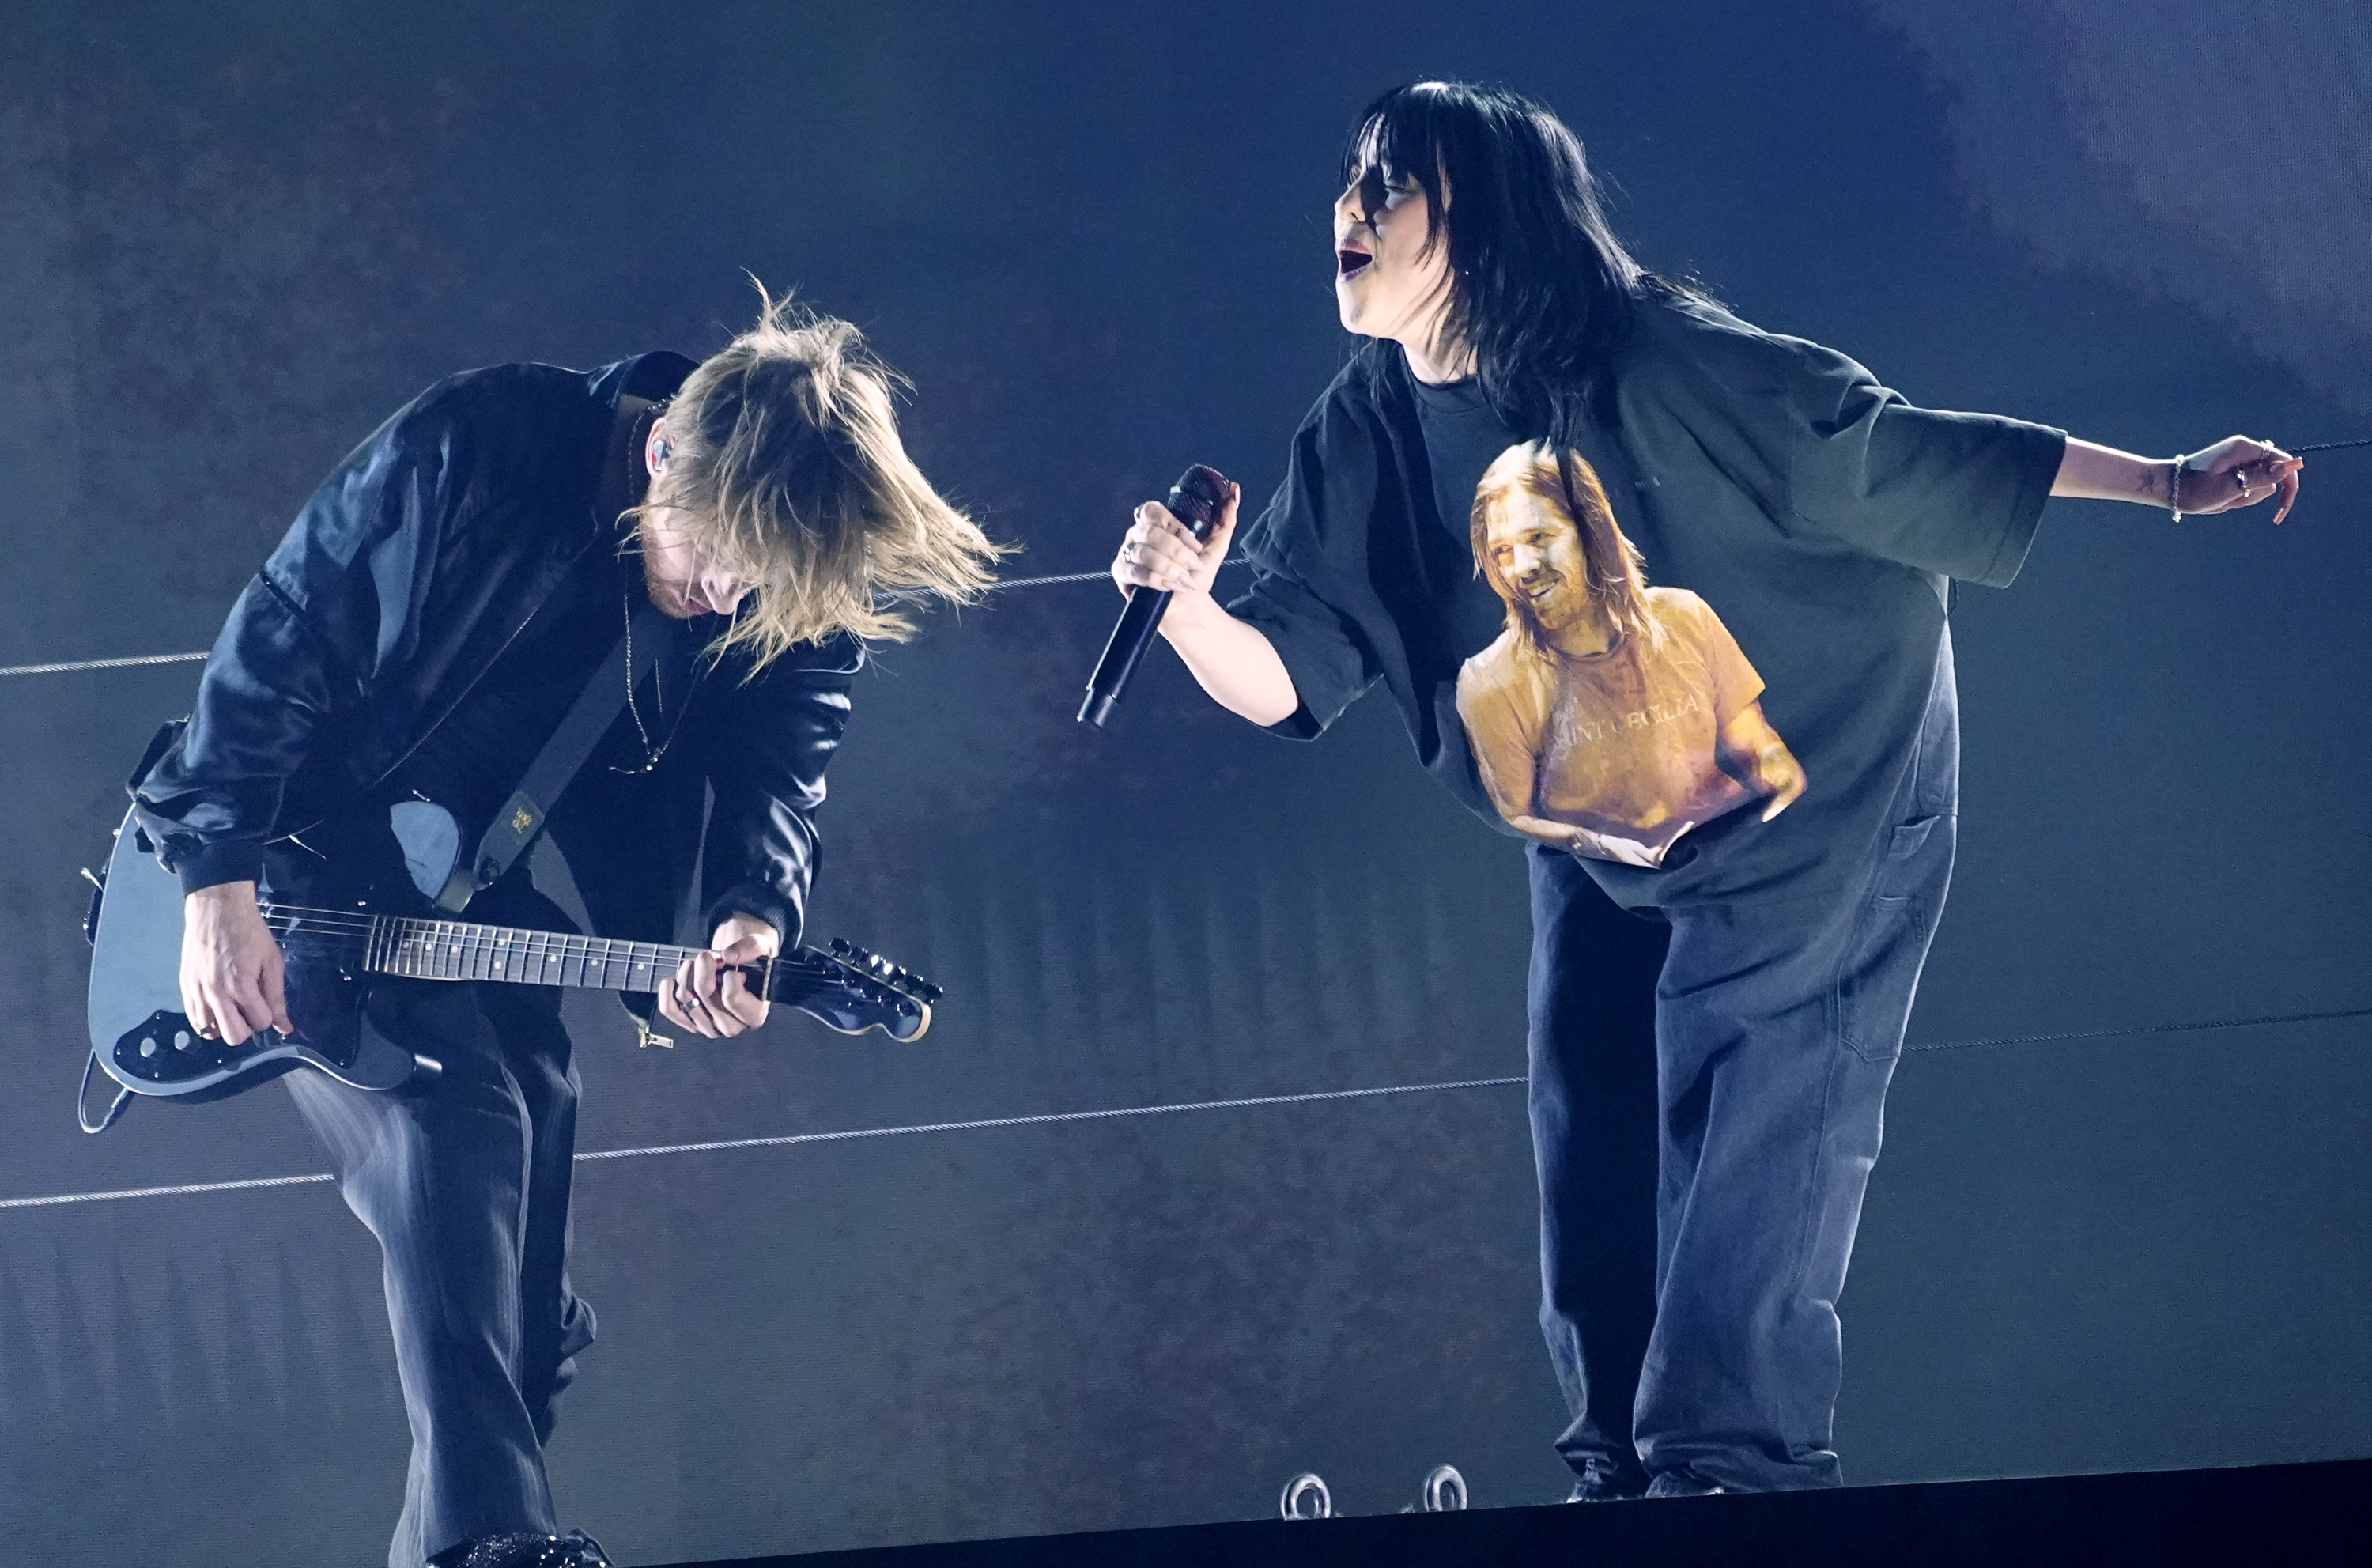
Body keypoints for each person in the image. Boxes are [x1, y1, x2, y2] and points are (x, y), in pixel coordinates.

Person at [1110, 81, 2302, 1498]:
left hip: (1819, 767)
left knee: (1758, 1098)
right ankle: (1619, 1462)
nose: (1348, 209)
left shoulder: (1657, 359)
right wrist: (1189, 607)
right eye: (1349, 180)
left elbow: (1890, 451)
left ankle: (1732, 1464)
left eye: (1390, 183)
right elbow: (1289, 671)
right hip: (1601, 803)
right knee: (1589, 1094)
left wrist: (2167, 482)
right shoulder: (1367, 422)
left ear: (1479, 220)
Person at [135, 288, 1000, 1568]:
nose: (730, 596)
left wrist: (752, 911)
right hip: (304, 861)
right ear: (663, 451)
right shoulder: (480, 446)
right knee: (457, 1112)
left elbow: (781, 766)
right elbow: (290, 628)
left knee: (529, 1197)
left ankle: (483, 1503)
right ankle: (487, 1544)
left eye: (761, 585)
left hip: (475, 890)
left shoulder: (788, 558)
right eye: (719, 559)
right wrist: (214, 874)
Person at [1456, 440, 1805, 867]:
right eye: (1502, 551)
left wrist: (1782, 788)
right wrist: (1603, 849)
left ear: (1592, 531)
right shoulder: (1489, 682)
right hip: (1605, 883)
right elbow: (1517, 815)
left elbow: (1754, 741)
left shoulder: (1685, 616)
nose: (1523, 567)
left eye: (1538, 537)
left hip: (1727, 857)